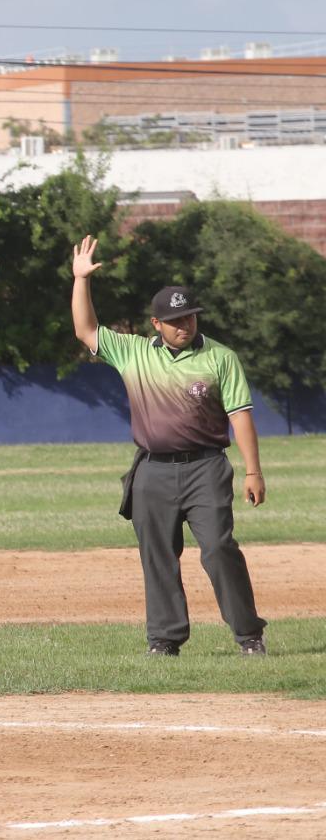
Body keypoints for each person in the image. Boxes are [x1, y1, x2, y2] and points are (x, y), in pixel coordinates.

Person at [70, 235, 268, 657]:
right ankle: (165, 640)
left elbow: (240, 416)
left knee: (218, 548)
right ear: (156, 324)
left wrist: (253, 471)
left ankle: (249, 634)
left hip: (206, 468)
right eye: (176, 320)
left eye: (191, 317)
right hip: (152, 471)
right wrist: (80, 280)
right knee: (157, 556)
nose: (186, 325)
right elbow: (85, 330)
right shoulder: (134, 353)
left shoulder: (220, 357)